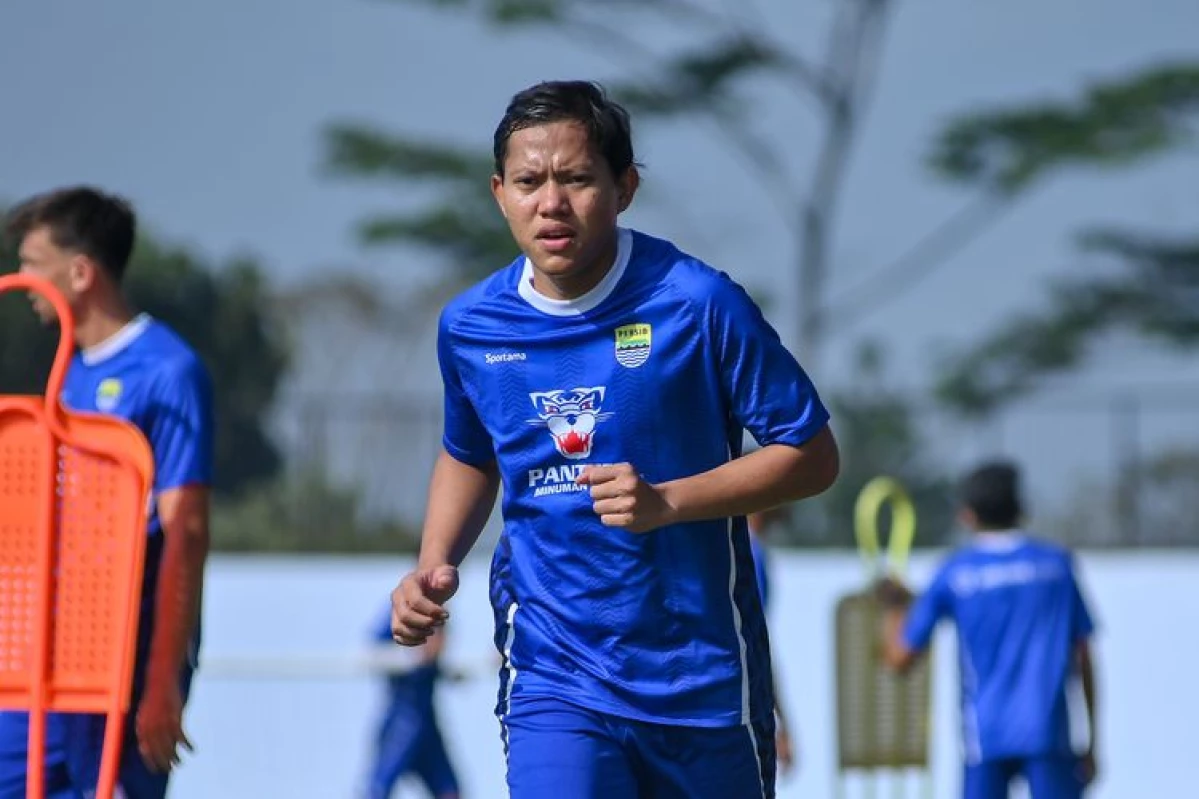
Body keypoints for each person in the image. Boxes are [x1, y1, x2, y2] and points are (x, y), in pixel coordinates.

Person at [389, 79, 839, 799]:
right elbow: (469, 451)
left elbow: (812, 454)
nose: (551, 203)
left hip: (702, 680)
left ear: (623, 187)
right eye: (530, 181)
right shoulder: (471, 326)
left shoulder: (697, 302)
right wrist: (432, 563)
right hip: (554, 672)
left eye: (576, 179)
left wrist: (667, 500)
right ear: (498, 191)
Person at [1, 186, 213, 799]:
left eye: (32, 262)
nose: (21, 278)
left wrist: (161, 681)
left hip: (124, 655)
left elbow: (187, 533)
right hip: (51, 651)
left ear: (79, 272)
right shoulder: (67, 369)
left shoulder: (167, 370)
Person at [877, 461, 1099, 799]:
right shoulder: (1057, 566)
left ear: (967, 514)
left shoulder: (956, 572)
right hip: (1050, 732)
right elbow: (1082, 654)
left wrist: (894, 610)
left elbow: (900, 658)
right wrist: (1093, 740)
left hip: (985, 734)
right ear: (1021, 509)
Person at [362, 605, 462, 799]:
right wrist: (413, 655)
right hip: (401, 723)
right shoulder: (405, 603)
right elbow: (374, 650)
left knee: (449, 791)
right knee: (379, 789)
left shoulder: (439, 603)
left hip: (428, 726)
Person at [746, 507, 797, 779]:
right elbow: (754, 646)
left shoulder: (751, 551)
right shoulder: (747, 554)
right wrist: (782, 723)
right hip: (733, 719)